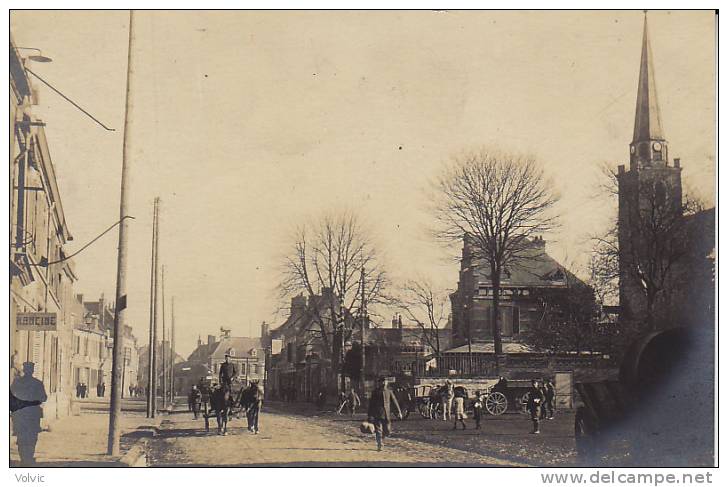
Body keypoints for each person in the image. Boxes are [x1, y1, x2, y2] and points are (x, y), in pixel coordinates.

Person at [11, 362, 47, 466]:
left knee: (21, 436)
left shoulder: (17, 382)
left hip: (20, 413)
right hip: (32, 414)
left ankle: (23, 458)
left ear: (24, 370)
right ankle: (29, 457)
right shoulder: (38, 383)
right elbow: (44, 397)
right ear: (32, 371)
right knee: (32, 436)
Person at [367, 377, 402, 451]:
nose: (384, 383)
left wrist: (399, 411)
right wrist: (370, 415)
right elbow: (371, 404)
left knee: (387, 431)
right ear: (379, 383)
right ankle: (380, 444)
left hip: (387, 414)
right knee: (378, 430)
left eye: (385, 381)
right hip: (377, 414)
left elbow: (394, 401)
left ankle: (381, 438)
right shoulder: (375, 392)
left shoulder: (389, 391)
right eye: (382, 381)